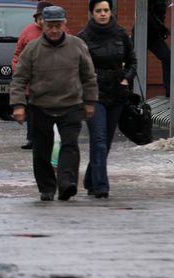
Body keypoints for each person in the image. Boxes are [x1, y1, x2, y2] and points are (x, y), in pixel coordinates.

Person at [9, 5, 97, 202]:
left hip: (71, 105)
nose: (55, 30)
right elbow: (19, 79)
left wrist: (89, 101)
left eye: (58, 25)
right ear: (43, 25)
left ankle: (67, 184)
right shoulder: (32, 48)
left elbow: (89, 76)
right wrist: (18, 105)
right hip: (41, 106)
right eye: (51, 26)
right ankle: (47, 188)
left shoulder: (77, 46)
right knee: (41, 150)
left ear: (65, 25)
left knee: (70, 145)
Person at [78, 0, 136, 199]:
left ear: (111, 12)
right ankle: (101, 187)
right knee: (99, 140)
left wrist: (127, 79)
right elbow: (77, 67)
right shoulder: (83, 38)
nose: (103, 14)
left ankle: (89, 180)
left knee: (105, 143)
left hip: (117, 95)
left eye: (106, 10)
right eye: (98, 11)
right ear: (91, 13)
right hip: (94, 95)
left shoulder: (120, 34)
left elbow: (132, 60)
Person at [13, 1, 53, 149]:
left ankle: (49, 137)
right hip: (33, 80)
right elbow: (18, 55)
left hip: (53, 81)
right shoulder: (28, 32)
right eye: (41, 18)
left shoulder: (59, 31)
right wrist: (20, 71)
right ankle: (31, 138)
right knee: (32, 110)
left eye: (46, 17)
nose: (43, 21)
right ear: (37, 18)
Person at [148, 0, 171, 97]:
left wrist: (162, 30)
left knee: (168, 58)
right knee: (131, 60)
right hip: (142, 32)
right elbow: (149, 15)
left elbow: (159, 16)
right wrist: (162, 28)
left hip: (154, 36)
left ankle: (169, 91)